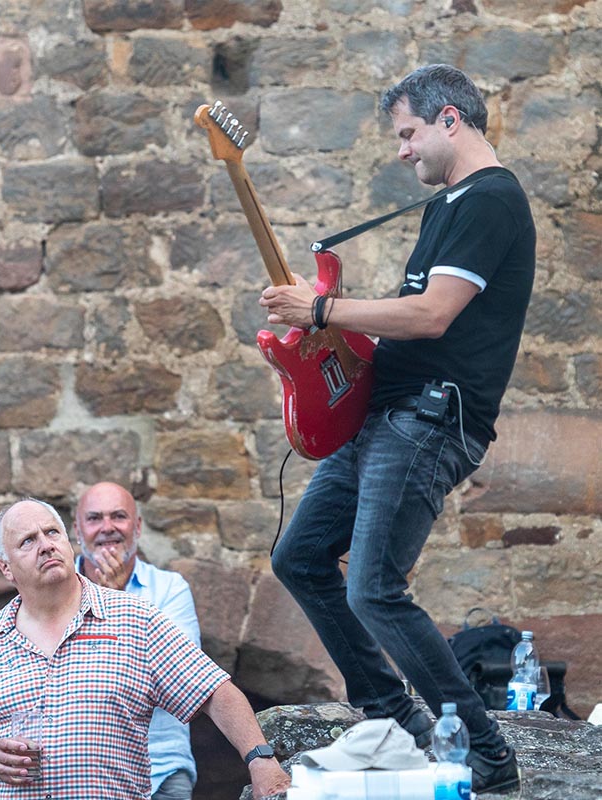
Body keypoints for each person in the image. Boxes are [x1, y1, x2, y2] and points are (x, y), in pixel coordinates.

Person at [259, 64, 535, 795]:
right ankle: (394, 718)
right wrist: (329, 351)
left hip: (428, 420)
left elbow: (430, 315)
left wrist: (320, 313)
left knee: (374, 589)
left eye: (408, 133)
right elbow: (405, 334)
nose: (402, 150)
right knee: (300, 558)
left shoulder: (491, 201)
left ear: (451, 120)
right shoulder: (451, 205)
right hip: (388, 413)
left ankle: (485, 755)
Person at [0, 499, 290, 800]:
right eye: (28, 541)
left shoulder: (135, 620)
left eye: (52, 532)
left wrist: (260, 760)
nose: (46, 545)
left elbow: (213, 691)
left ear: (69, 543)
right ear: (6, 567)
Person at [74, 481, 200, 800]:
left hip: (159, 772)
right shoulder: (54, 594)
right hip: (76, 777)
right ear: (77, 531)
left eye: (119, 516)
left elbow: (184, 683)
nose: (107, 528)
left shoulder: (170, 590)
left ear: (138, 526)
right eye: (94, 518)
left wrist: (115, 602)